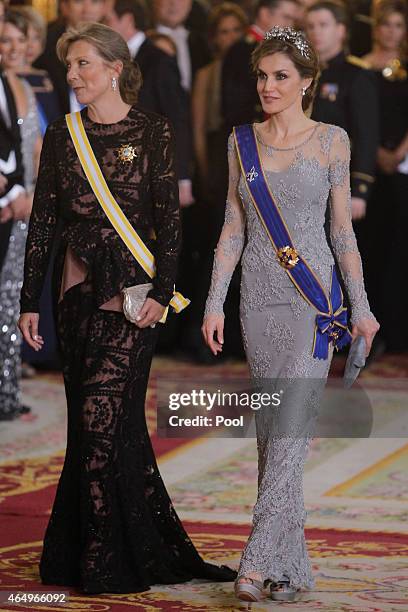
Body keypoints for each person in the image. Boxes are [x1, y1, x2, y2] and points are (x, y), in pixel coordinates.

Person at [18, 22, 236, 593]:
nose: (73, 76)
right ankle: (125, 544)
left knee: (101, 423)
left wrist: (163, 294)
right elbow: (44, 223)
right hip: (75, 297)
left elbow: (169, 222)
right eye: (69, 67)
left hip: (134, 299)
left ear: (115, 68)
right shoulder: (62, 136)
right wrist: (28, 301)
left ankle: (100, 558)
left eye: (83, 64)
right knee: (107, 431)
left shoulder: (154, 130)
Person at [202, 26, 379, 602]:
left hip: (312, 303)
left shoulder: (333, 140)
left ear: (307, 82)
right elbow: (232, 227)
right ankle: (292, 568)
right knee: (273, 433)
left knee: (290, 435)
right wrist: (213, 301)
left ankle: (252, 564)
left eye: (281, 76)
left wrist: (363, 307)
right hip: (257, 299)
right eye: (262, 75)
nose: (269, 85)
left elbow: (341, 231)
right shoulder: (240, 142)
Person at [0, 9, 41, 420]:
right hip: (7, 206)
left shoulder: (21, 87)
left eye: (18, 40)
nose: (13, 49)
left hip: (25, 206)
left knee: (12, 298)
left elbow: (36, 150)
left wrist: (34, 194)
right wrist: (12, 195)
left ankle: (6, 391)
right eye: (4, 40)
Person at [361, 0, 408, 352]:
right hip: (367, 165)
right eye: (386, 25)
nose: (391, 32)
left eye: (398, 25)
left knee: (398, 246)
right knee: (367, 246)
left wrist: (400, 151)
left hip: (402, 165)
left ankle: (395, 328)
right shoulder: (360, 68)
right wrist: (374, 152)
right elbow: (359, 117)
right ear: (376, 28)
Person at [306, 0, 379, 221]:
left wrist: (360, 188)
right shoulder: (301, 73)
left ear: (341, 30)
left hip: (338, 182)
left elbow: (366, 134)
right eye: (310, 26)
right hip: (303, 179)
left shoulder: (356, 74)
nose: (315, 31)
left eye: (323, 24)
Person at [221, 0, 299, 134]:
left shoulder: (275, 50)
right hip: (250, 138)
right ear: (265, 14)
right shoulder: (243, 50)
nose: (290, 25)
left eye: (293, 20)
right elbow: (237, 106)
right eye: (286, 17)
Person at [34, 0, 108, 113]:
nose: (87, 10)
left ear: (104, 7)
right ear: (64, 6)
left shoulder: (112, 43)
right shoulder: (44, 42)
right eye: (78, 2)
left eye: (94, 2)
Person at [14, 6, 63, 131]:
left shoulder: (45, 77)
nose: (31, 45)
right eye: (24, 38)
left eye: (36, 38)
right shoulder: (7, 77)